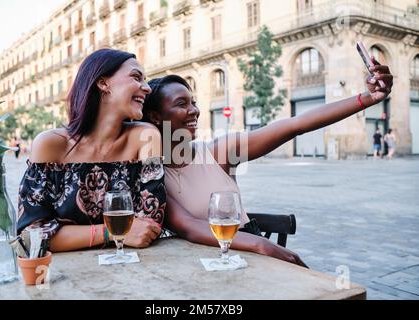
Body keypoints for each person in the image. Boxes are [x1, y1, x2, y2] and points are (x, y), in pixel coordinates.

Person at [141, 58, 393, 267]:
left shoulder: (219, 152)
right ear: (155, 117)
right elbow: (188, 227)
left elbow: (294, 126)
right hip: (199, 261)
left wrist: (367, 98)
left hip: (248, 254)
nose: (194, 110)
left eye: (194, 102)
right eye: (181, 104)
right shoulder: (150, 175)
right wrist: (262, 243)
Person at [17, 49, 166, 252]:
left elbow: (147, 227)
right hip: (68, 277)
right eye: (136, 77)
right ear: (103, 83)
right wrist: (111, 232)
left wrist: (70, 235)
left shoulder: (146, 137)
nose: (147, 88)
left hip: (133, 271)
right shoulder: (50, 144)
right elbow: (30, 235)